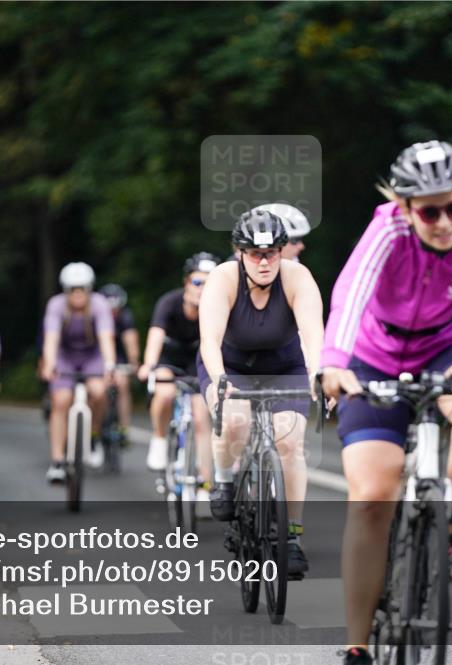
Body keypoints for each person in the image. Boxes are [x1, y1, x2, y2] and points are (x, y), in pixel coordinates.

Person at [317, 140, 452, 665]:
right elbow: (350, 292)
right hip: (374, 355)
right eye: (429, 211)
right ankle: (357, 644)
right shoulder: (386, 230)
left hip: (447, 345)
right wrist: (333, 362)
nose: (443, 222)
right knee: (372, 495)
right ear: (405, 207)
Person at [198, 211, 324, 580]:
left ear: (283, 251)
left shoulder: (298, 277)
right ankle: (224, 478)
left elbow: (313, 334)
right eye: (255, 253)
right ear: (240, 253)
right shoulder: (222, 278)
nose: (265, 261)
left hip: (284, 366)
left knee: (290, 443)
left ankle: (291, 537)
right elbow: (209, 340)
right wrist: (220, 381)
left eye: (272, 252)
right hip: (230, 363)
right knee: (234, 419)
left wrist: (319, 374)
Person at [138, 253, 219, 497]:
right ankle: (160, 438)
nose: (202, 289)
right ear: (186, 282)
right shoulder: (169, 302)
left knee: (202, 416)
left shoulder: (217, 308)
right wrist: (148, 364)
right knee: (164, 393)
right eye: (197, 282)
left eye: (209, 283)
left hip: (197, 362)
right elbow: (155, 334)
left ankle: (206, 483)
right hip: (169, 360)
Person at [40, 262, 117, 483]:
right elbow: (51, 338)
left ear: (89, 288)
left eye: (81, 288)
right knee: (61, 400)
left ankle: (93, 436)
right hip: (65, 357)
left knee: (99, 392)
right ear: (65, 290)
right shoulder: (56, 305)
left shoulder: (100, 304)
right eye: (72, 289)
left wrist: (110, 364)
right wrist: (50, 363)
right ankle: (56, 461)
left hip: (92, 356)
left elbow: (105, 337)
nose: (77, 294)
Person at [100, 284, 140, 442]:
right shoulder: (95, 316)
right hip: (98, 356)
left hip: (119, 356)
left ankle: (124, 426)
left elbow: (131, 340)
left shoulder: (125, 316)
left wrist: (134, 362)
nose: (113, 313)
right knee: (98, 386)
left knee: (122, 384)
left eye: (116, 309)